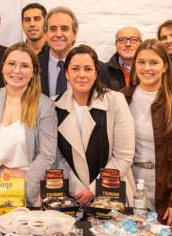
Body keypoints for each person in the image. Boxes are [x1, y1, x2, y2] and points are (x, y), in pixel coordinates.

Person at [120, 39, 172, 233]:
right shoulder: (122, 98)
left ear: (165, 66)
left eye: (154, 62)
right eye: (141, 62)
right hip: (129, 187)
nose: (147, 68)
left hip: (166, 194)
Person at [0, 42, 57, 207]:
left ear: (33, 71)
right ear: (3, 67)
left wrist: (24, 192)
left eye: (24, 66)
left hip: (31, 190)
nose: (16, 70)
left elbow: (47, 155)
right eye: (11, 63)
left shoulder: (44, 105)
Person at [53, 45, 135, 206]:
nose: (82, 74)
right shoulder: (54, 105)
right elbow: (55, 156)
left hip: (111, 193)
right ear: (66, 74)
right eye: (75, 69)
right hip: (70, 196)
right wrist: (76, 188)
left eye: (88, 69)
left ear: (96, 73)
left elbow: (123, 156)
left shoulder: (115, 101)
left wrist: (93, 189)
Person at [104, 26, 141, 90]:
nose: (128, 44)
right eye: (122, 40)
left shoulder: (148, 70)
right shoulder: (103, 71)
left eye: (134, 40)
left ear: (141, 44)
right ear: (116, 44)